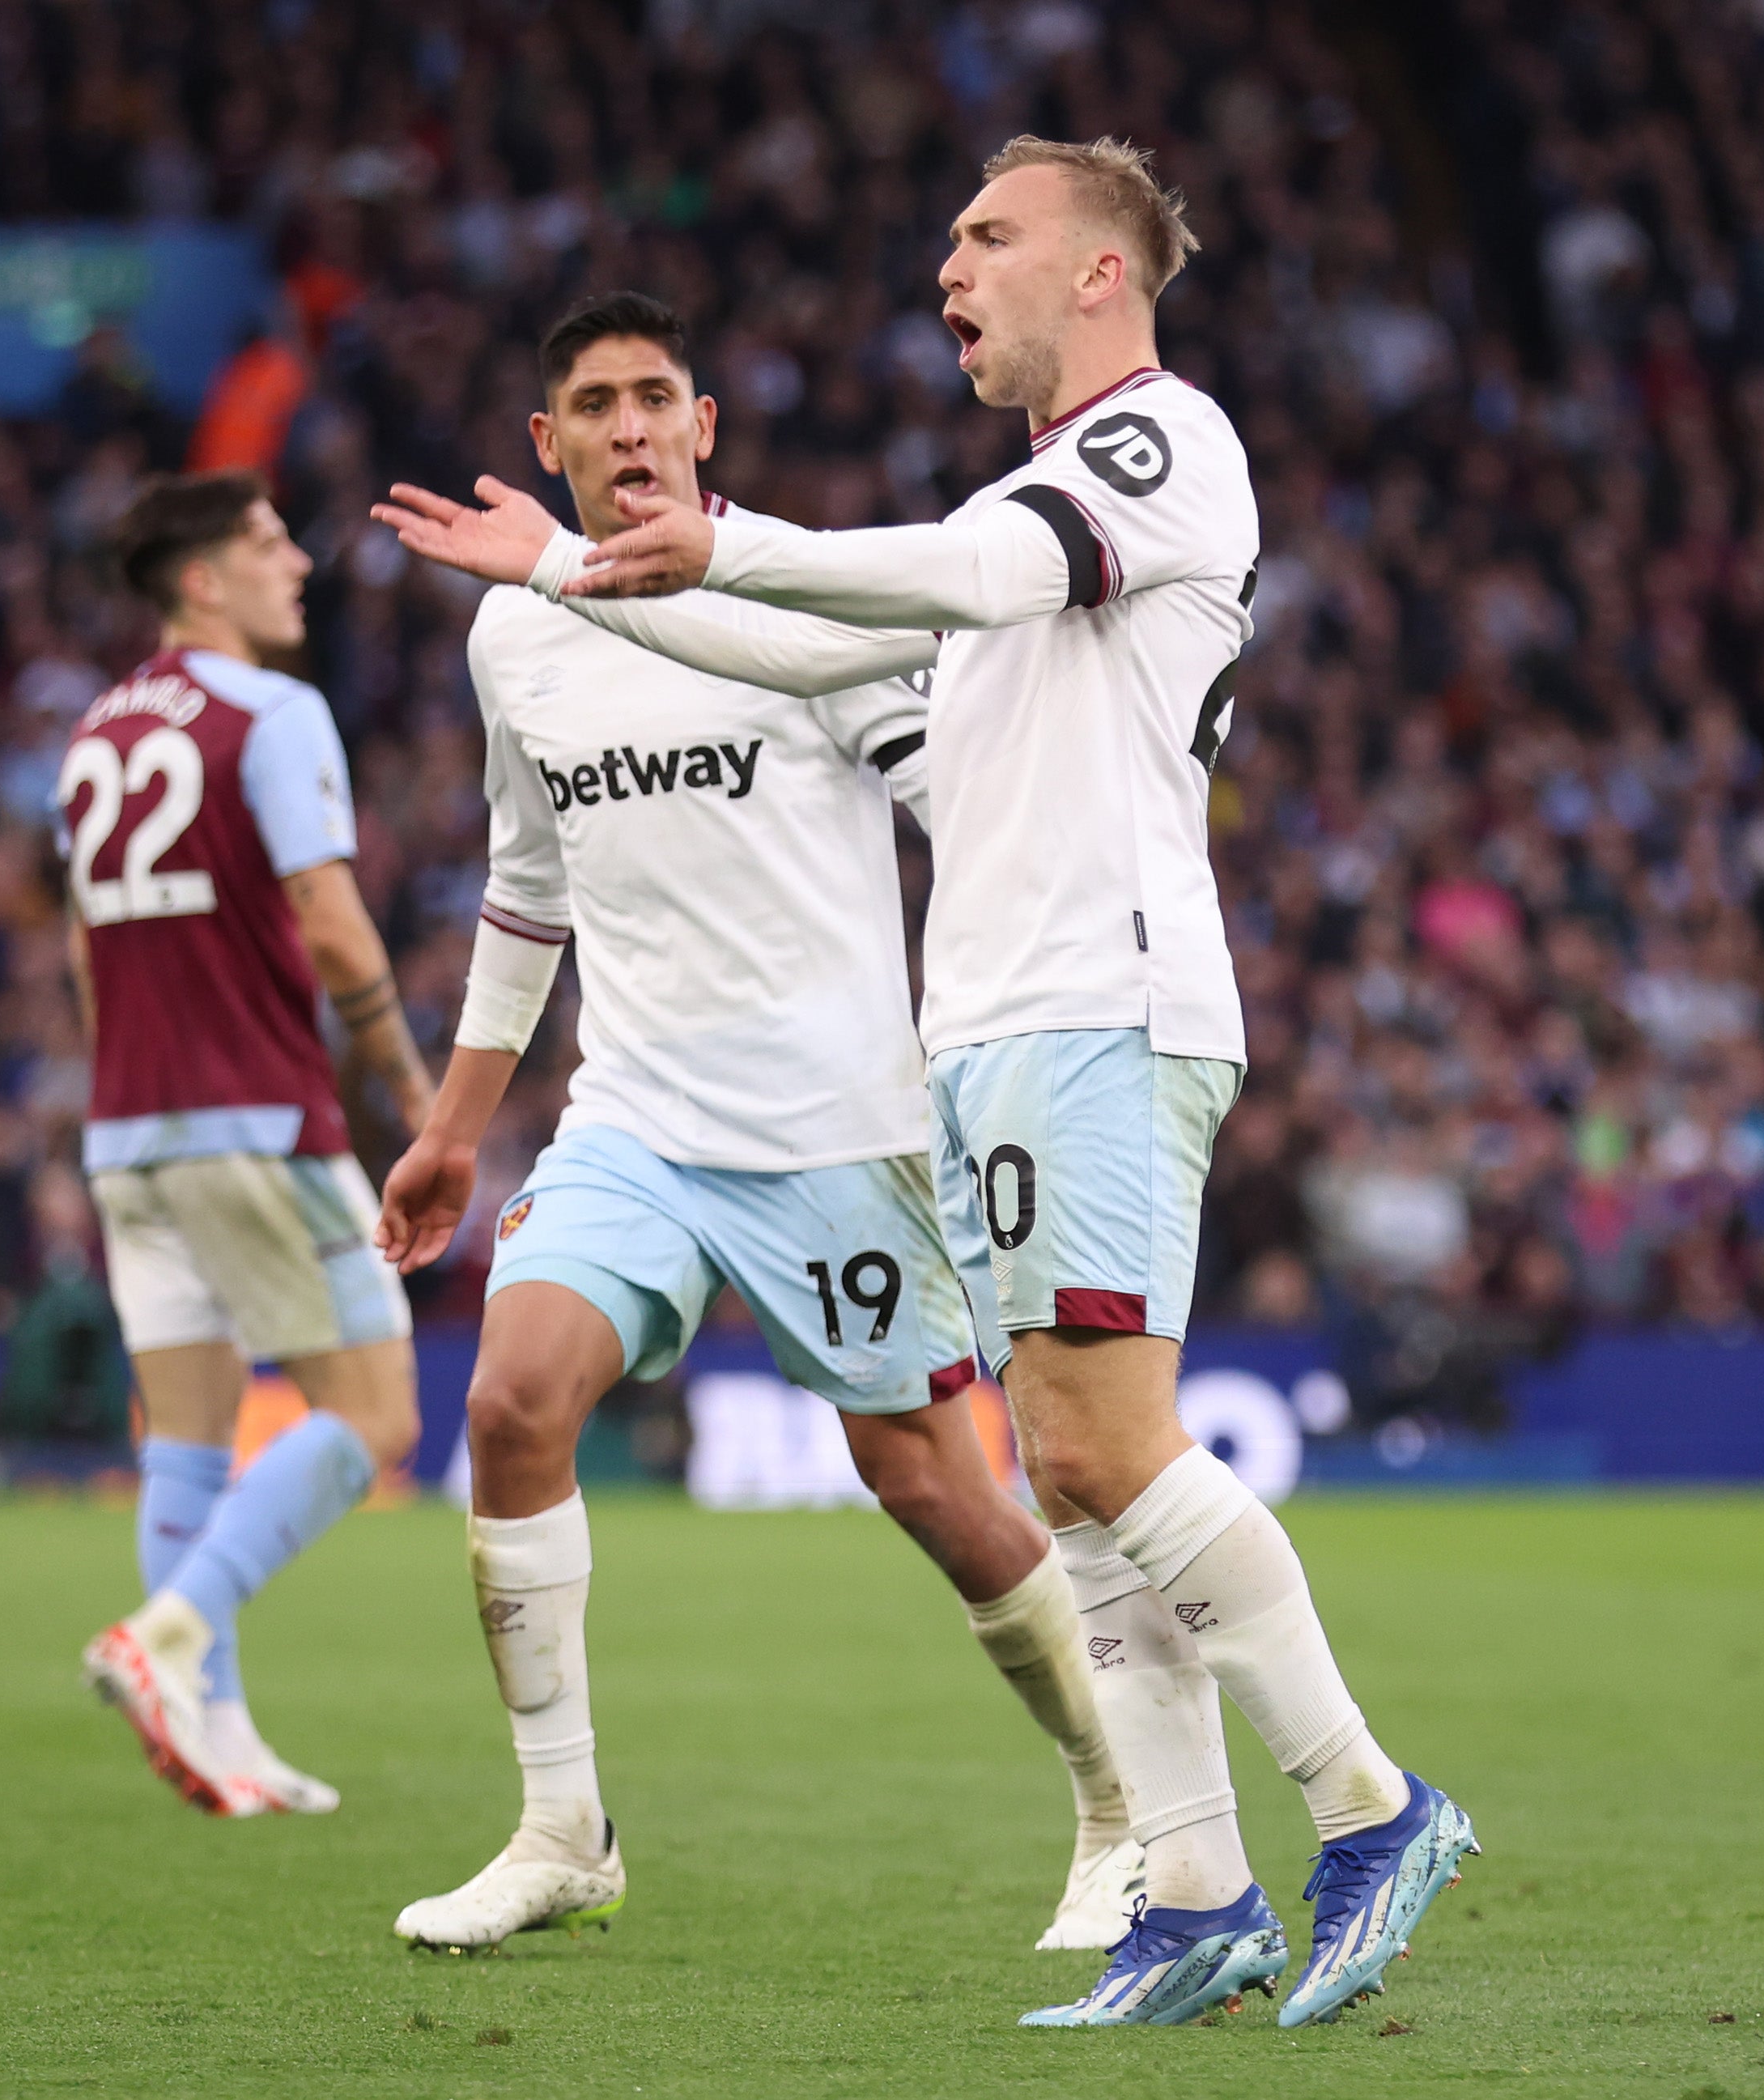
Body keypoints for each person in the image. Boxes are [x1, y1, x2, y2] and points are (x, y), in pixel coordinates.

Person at [377, 138, 1474, 2029]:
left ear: (1100, 272)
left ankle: (1369, 1809)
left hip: (1090, 1012)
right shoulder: (1023, 494)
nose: (945, 265)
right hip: (981, 1035)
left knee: (1104, 1454)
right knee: (1063, 1481)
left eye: (985, 236)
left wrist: (698, 539)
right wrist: (569, 573)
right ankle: (1191, 1899)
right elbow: (786, 633)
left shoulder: (1154, 447)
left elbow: (934, 579)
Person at [370, 292, 1137, 1955]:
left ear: (704, 425)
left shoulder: (788, 581)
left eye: (657, 400)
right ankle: (561, 1825)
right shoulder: (513, 632)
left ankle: (1118, 1795)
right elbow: (526, 889)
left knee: (930, 1487)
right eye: (596, 405)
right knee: (509, 1401)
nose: (630, 429)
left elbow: (948, 792)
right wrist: (451, 1130)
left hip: (839, 1133)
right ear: (545, 445)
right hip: (635, 1117)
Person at [66, 471, 431, 1818]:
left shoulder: (95, 730)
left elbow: (83, 948)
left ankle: (211, 1724)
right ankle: (163, 1639)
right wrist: (407, 1084)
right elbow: (332, 926)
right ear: (202, 580)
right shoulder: (271, 714)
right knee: (377, 1410)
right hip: (254, 1118)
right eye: (270, 545)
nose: (300, 566)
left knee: (191, 1431)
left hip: (129, 1127)